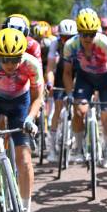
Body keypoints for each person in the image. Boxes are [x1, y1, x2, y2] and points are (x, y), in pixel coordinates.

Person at [0, 29, 44, 212]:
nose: (10, 64)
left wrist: (30, 119)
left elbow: (38, 96)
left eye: (14, 59)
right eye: (5, 59)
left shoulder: (31, 64)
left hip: (20, 103)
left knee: (25, 158)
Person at [63, 10, 107, 168]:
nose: (88, 38)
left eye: (92, 34)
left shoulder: (104, 43)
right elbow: (67, 72)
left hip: (105, 79)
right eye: (84, 34)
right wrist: (69, 94)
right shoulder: (71, 45)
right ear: (78, 33)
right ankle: (79, 147)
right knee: (78, 111)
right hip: (85, 78)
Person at [46, 19, 77, 162]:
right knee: (57, 107)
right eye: (64, 37)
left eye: (70, 37)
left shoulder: (79, 44)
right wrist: (50, 83)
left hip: (76, 74)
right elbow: (51, 68)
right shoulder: (54, 43)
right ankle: (51, 148)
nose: (66, 40)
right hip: (60, 75)